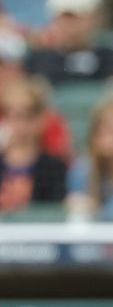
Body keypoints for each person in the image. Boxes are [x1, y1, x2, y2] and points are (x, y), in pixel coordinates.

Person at [24, 0, 113, 85]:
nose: (67, 25)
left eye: (74, 17)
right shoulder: (39, 62)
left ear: (94, 18)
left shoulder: (109, 59)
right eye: (62, 18)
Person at [0, 78, 68, 214]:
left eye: (25, 117)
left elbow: (52, 212)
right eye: (12, 116)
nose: (18, 125)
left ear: (40, 119)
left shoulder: (54, 167)